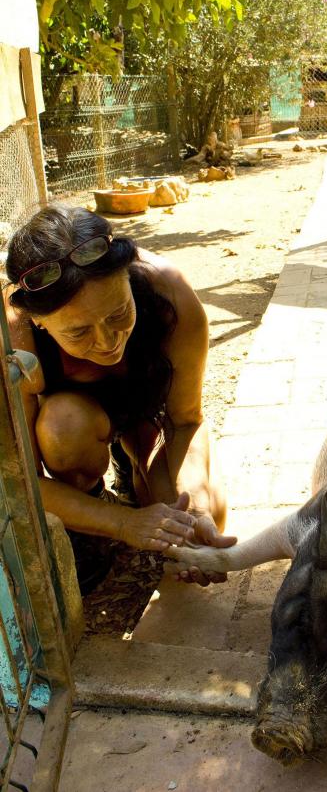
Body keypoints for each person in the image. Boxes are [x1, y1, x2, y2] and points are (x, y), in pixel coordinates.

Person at [3, 204, 235, 592]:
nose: (109, 343)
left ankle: (135, 463)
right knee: (64, 424)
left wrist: (193, 503)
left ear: (128, 277)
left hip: (145, 413)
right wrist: (122, 524)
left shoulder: (170, 295)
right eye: (78, 333)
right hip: (75, 424)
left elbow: (186, 421)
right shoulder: (14, 340)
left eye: (119, 314)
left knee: (202, 524)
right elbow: (19, 480)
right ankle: (89, 505)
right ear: (39, 321)